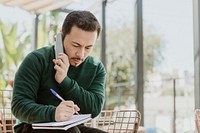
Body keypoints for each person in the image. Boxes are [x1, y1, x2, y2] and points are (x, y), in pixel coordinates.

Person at [11, 10, 107, 133]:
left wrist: (65, 81)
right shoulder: (36, 60)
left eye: (88, 47)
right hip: (31, 127)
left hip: (71, 126)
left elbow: (94, 109)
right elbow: (19, 106)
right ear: (61, 36)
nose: (81, 54)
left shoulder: (96, 68)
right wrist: (54, 113)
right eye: (76, 45)